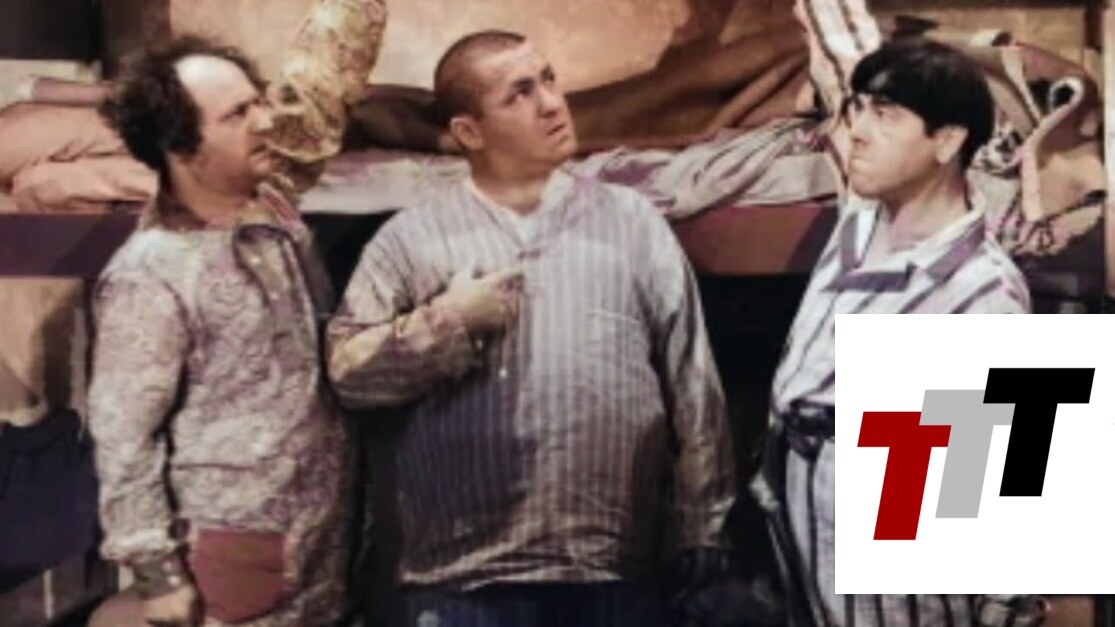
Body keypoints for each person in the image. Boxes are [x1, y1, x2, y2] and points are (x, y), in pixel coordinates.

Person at [326, 30, 736, 626]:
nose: (551, 104)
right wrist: (448, 324)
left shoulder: (631, 222)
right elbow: (347, 375)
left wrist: (704, 525)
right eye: (519, 94)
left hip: (608, 571)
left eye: (548, 80)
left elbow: (691, 379)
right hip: (461, 580)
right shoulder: (411, 239)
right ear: (469, 131)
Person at [85, 2, 385, 624]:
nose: (266, 120)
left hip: (319, 541)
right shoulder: (151, 273)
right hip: (239, 552)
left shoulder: (269, 205)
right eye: (238, 114)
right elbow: (123, 436)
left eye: (258, 102)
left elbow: (317, 103)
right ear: (181, 147)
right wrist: (156, 573)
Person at [750, 0, 1042, 625]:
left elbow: (1014, 490)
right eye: (858, 108)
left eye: (884, 115)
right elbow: (843, 56)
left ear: (947, 141)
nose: (857, 129)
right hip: (807, 568)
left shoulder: (981, 290)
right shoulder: (859, 221)